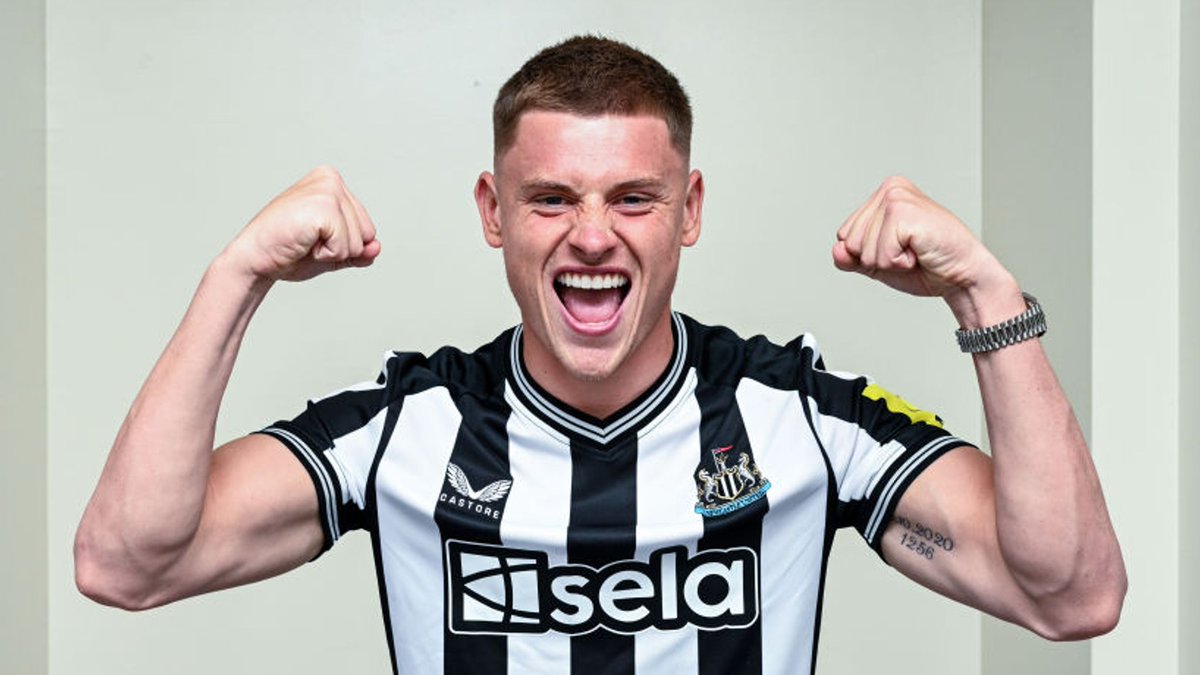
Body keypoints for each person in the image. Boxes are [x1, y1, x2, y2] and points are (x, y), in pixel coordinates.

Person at [74, 36, 1125, 674]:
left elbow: (1070, 595)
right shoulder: (405, 425)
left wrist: (986, 295)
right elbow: (127, 562)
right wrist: (236, 275)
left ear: (689, 211)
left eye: (633, 198)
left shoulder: (800, 413)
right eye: (549, 198)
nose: (590, 236)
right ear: (493, 212)